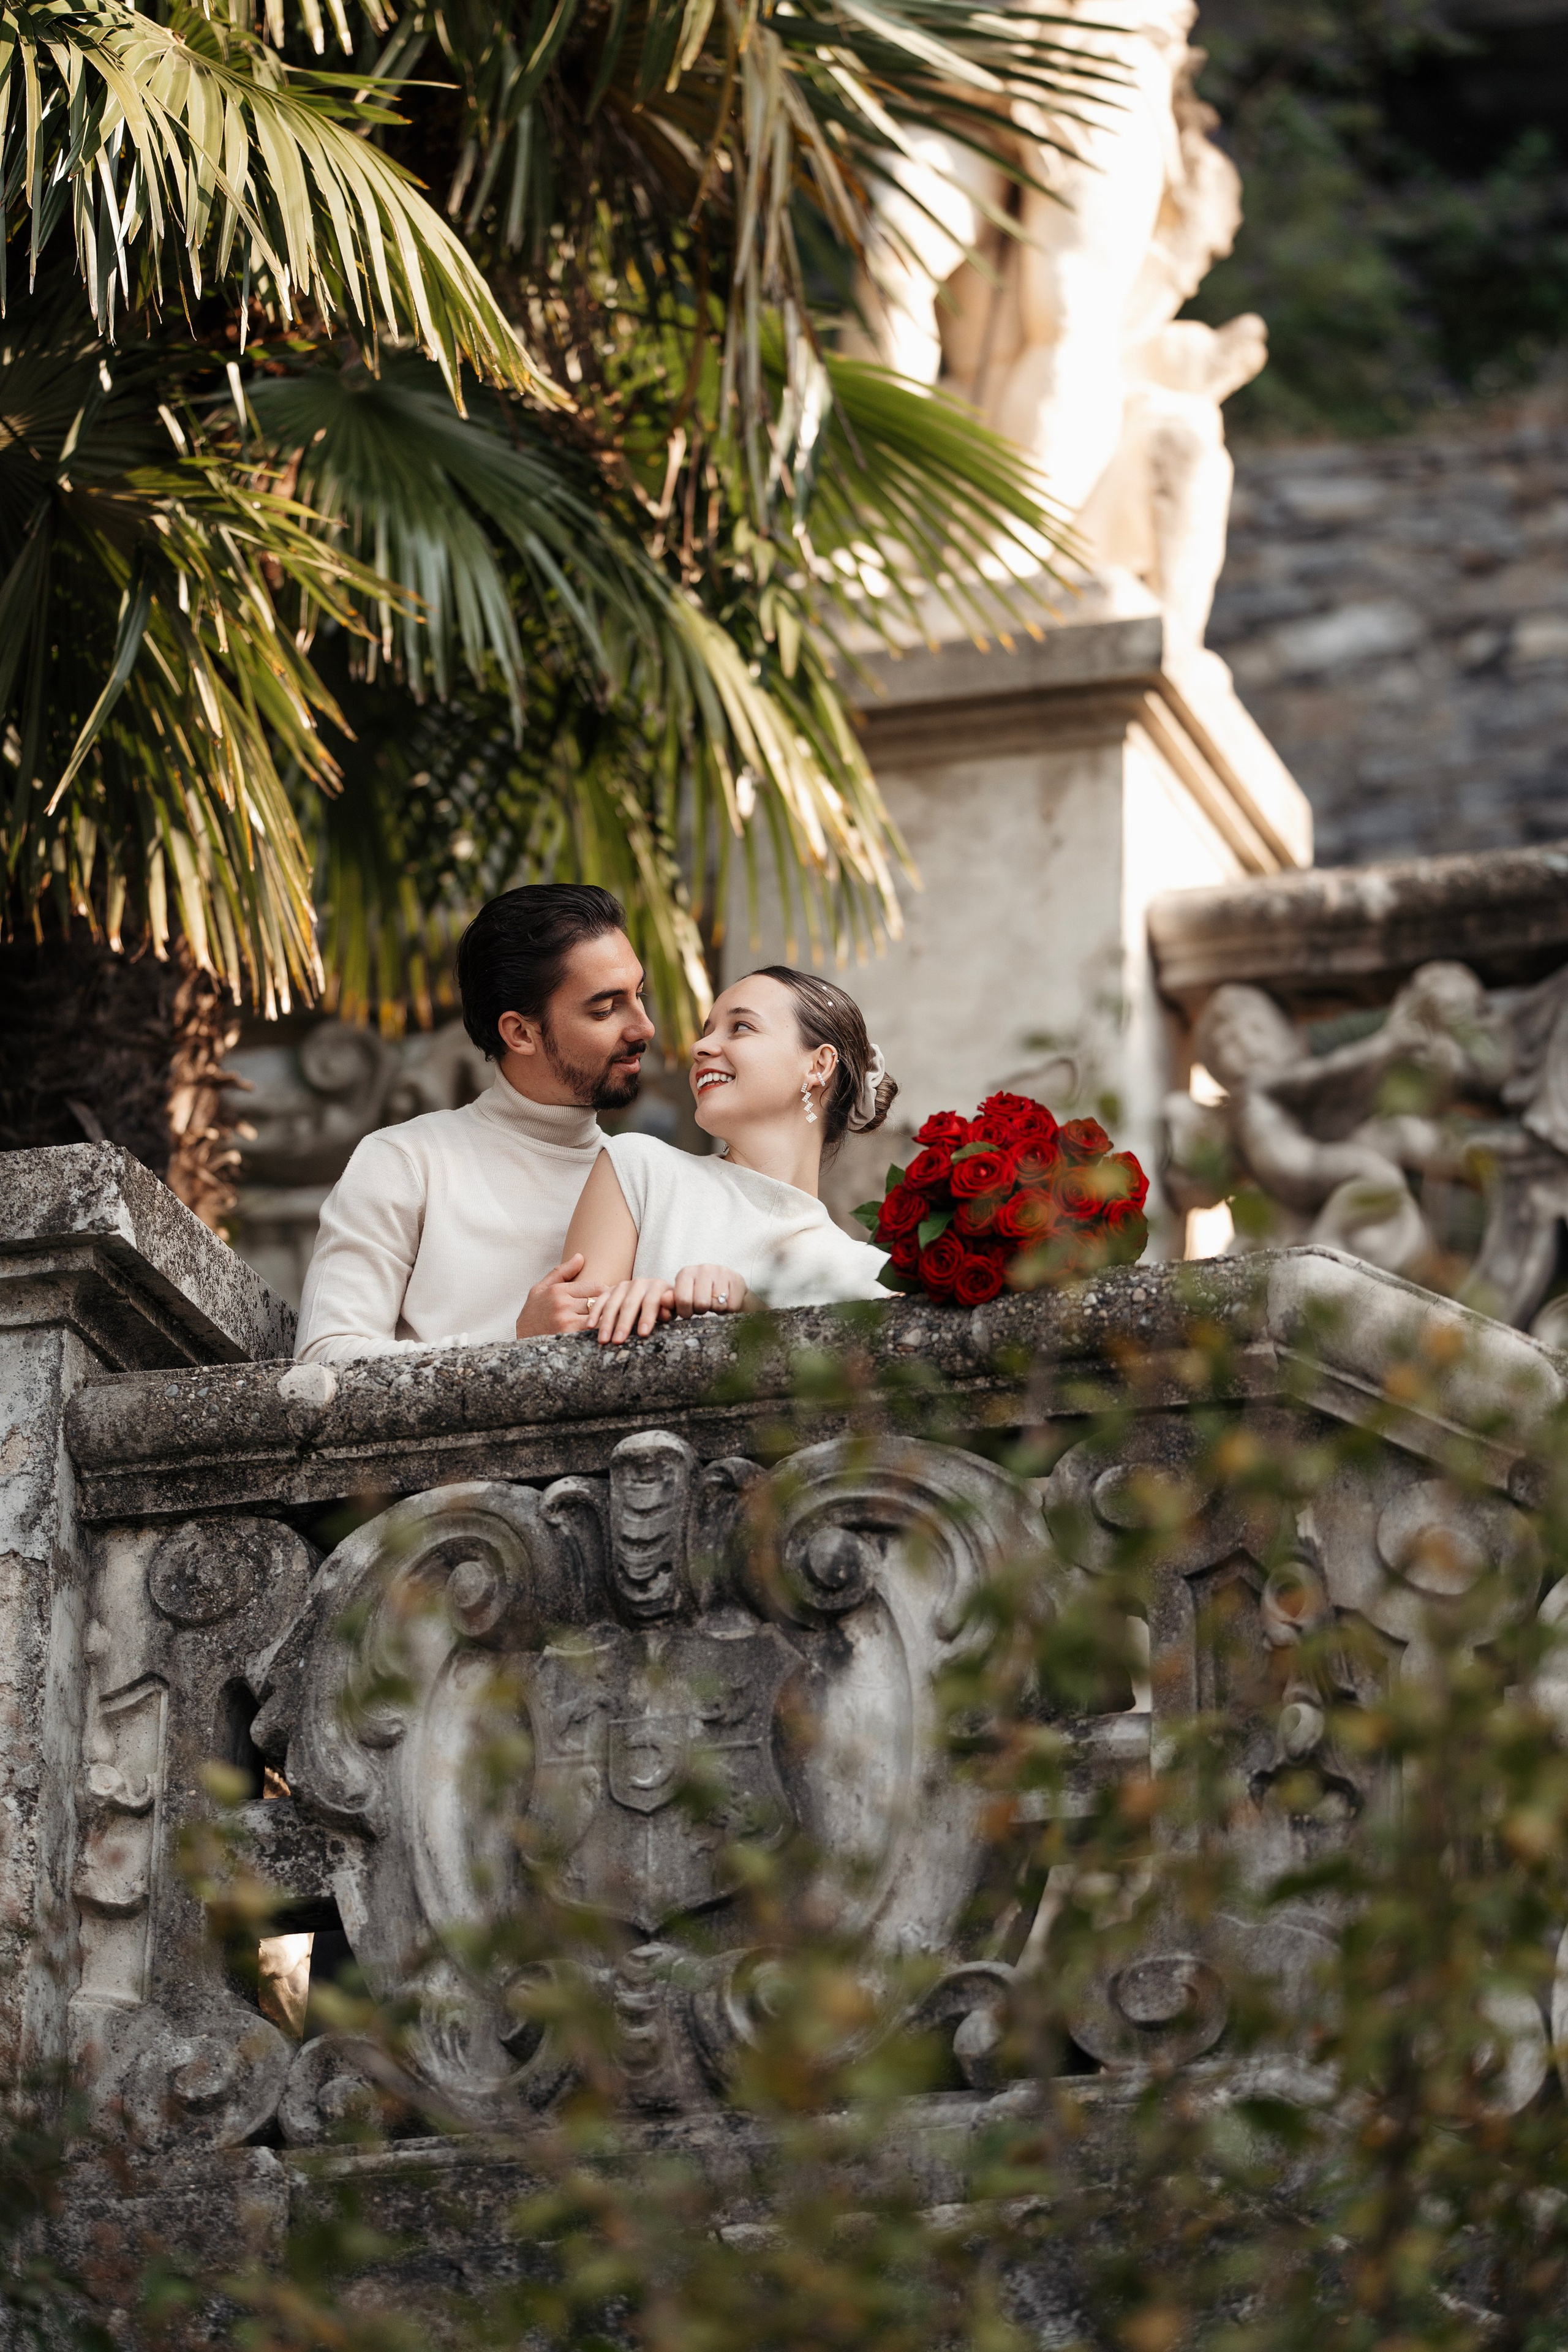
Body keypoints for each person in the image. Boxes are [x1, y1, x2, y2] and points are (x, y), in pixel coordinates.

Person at [294, 884, 654, 1363]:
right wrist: (515, 1345)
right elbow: (322, 1359)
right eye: (606, 1009)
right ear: (520, 1033)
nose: (644, 1027)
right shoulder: (405, 1161)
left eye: (639, 995)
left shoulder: (648, 1179)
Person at [563, 967, 895, 1345]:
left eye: (740, 1027)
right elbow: (563, 1352)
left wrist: (750, 1311)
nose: (699, 1048)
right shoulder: (639, 1170)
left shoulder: (869, 1276)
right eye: (707, 1032)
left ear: (819, 1065)